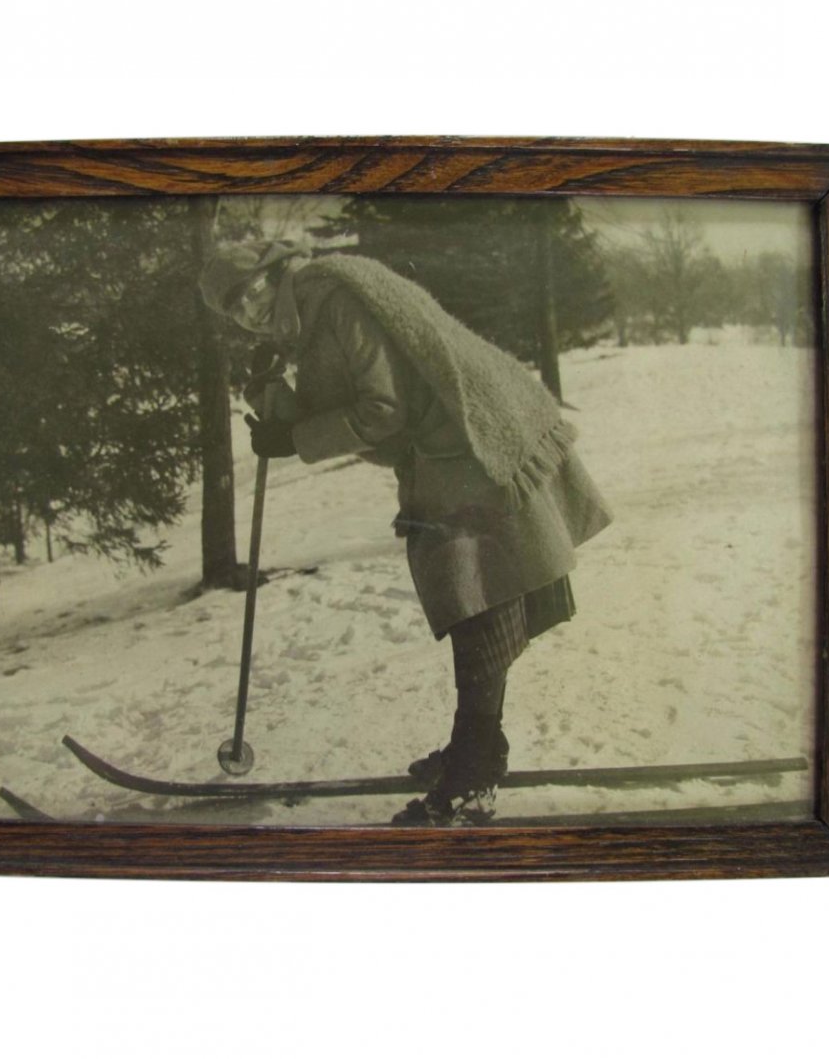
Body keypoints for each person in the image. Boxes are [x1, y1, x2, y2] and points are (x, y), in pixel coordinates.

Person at [199, 240, 612, 825]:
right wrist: (275, 402)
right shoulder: (312, 312)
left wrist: (293, 439)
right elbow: (357, 409)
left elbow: (381, 412)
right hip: (446, 445)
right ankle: (479, 749)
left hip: (473, 440)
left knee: (476, 603)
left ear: (273, 273)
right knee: (475, 603)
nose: (245, 312)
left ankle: (471, 777)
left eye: (248, 293)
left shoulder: (332, 299)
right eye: (232, 309)